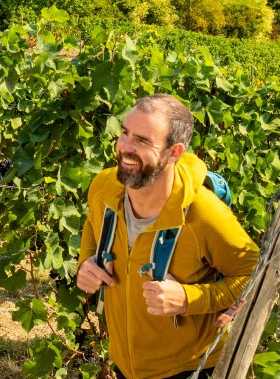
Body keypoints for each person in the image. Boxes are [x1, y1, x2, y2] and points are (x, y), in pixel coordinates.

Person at [75, 94, 261, 379]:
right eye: (125, 133)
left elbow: (253, 276)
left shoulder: (204, 213)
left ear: (174, 152)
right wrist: (87, 261)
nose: (125, 147)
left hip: (187, 369)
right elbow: (91, 223)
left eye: (142, 141)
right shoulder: (104, 187)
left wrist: (189, 298)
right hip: (125, 363)